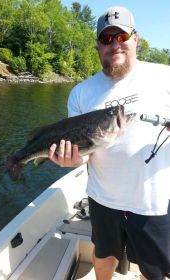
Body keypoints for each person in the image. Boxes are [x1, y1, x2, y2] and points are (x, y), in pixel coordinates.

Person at [49, 6, 170, 280]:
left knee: (157, 271)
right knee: (104, 256)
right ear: (98, 47)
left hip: (153, 201)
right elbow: (81, 152)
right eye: (106, 39)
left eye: (121, 36)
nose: (114, 44)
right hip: (102, 199)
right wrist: (70, 160)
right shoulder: (81, 93)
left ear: (135, 39)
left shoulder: (165, 77)